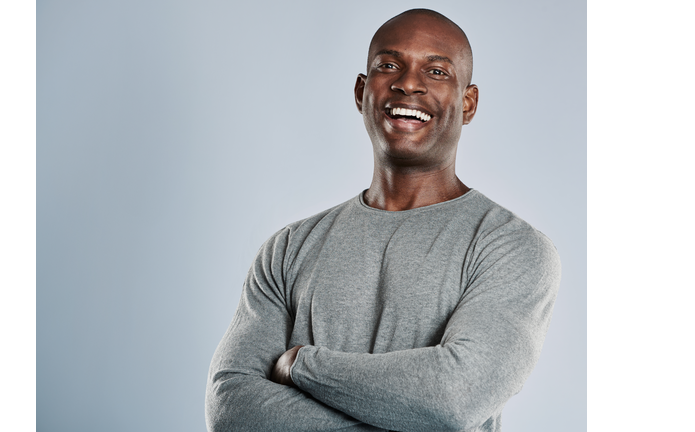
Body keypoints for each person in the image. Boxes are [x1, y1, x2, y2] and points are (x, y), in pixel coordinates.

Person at [205, 8, 561, 432]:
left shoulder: (511, 247)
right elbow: (231, 408)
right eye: (389, 65)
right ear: (361, 91)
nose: (409, 83)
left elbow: (453, 398)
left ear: (468, 103)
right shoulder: (287, 249)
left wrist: (302, 364)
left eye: (436, 71)